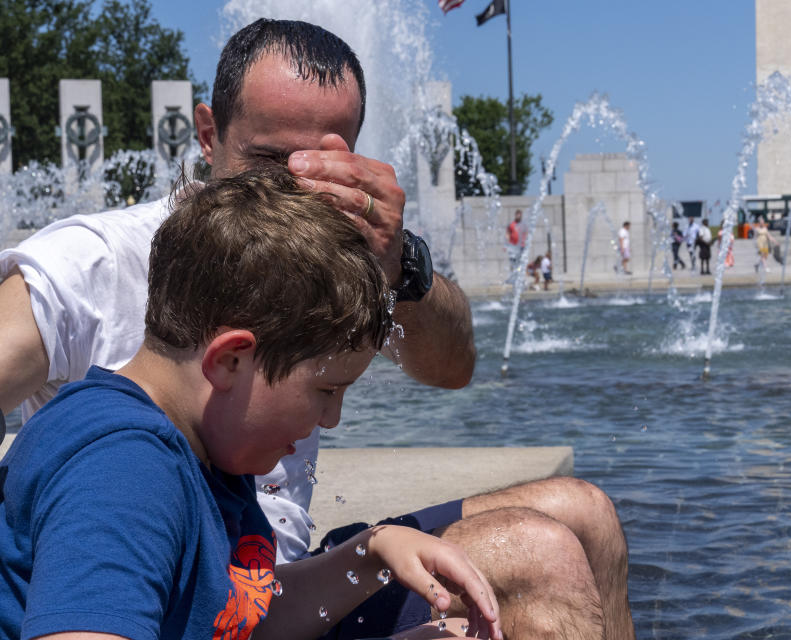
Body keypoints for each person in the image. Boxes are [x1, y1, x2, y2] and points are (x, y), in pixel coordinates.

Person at [0, 18, 630, 640]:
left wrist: (397, 268)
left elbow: (454, 369)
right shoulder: (125, 447)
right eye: (271, 159)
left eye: (325, 167)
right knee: (539, 559)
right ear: (208, 133)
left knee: (587, 515)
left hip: (267, 586)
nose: (296, 191)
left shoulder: (219, 439)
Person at [0, 169, 503, 640]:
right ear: (231, 361)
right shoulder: (123, 472)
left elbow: (245, 619)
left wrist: (371, 556)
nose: (333, 418)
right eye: (326, 391)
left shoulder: (212, 445)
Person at [506, 209, 528, 276]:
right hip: (513, 246)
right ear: (515, 215)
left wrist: (525, 242)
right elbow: (507, 234)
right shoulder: (511, 225)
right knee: (513, 261)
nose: (518, 216)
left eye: (520, 215)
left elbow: (526, 234)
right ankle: (512, 274)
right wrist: (507, 244)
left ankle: (518, 274)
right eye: (517, 215)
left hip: (521, 246)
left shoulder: (523, 225)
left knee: (520, 262)